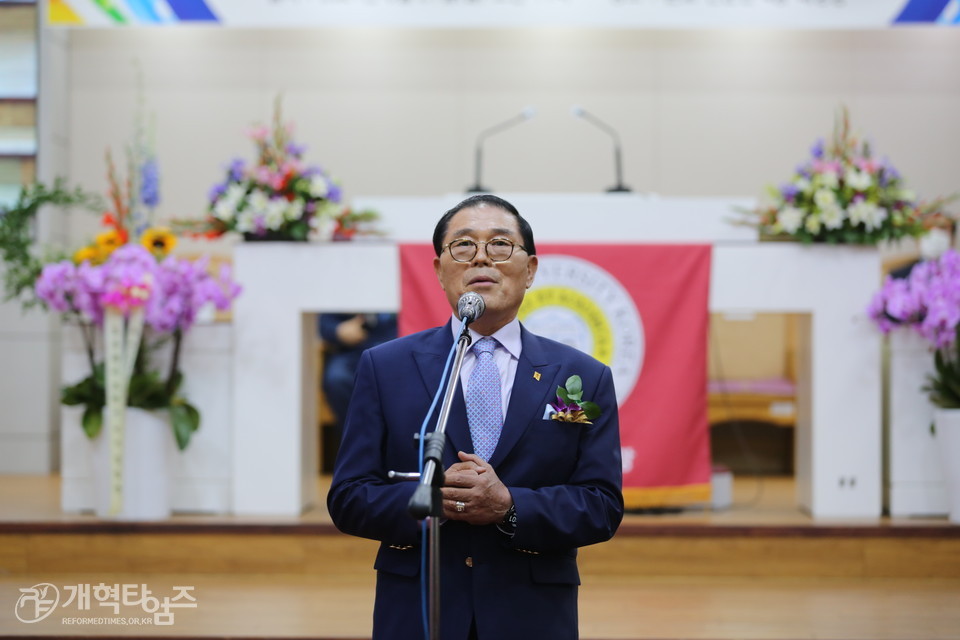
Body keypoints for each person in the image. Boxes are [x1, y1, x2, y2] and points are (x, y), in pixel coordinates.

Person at [327, 194, 624, 640]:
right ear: (439, 270)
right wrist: (427, 504)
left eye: (501, 244)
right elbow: (349, 496)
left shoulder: (581, 377)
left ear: (530, 270)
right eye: (463, 245)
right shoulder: (385, 367)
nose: (481, 256)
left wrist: (509, 506)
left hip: (531, 613)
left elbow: (601, 505)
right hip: (419, 610)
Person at [318, 312, 398, 437]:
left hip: (398, 348)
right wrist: (338, 330)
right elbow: (324, 322)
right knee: (337, 379)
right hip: (353, 350)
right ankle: (355, 437)